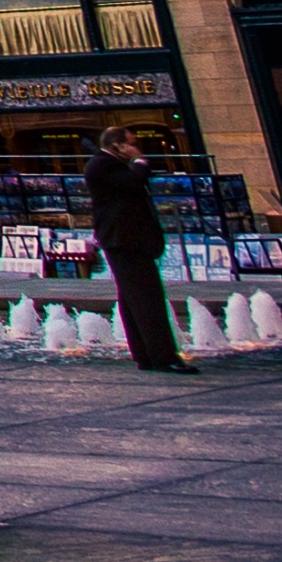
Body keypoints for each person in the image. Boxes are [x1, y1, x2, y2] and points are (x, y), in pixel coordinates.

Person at [85, 122, 186, 374]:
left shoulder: (106, 164)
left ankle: (147, 356)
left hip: (126, 241)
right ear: (117, 145)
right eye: (131, 143)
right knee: (146, 300)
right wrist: (140, 161)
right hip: (125, 242)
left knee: (134, 300)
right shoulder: (103, 164)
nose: (135, 148)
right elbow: (133, 182)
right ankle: (163, 358)